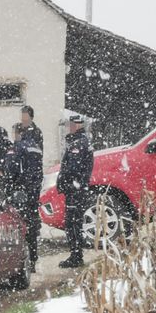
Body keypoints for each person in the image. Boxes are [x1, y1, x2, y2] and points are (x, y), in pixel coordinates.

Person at [4, 118, 44, 272]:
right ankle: (33, 258)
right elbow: (38, 171)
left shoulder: (17, 148)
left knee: (20, 226)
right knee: (32, 225)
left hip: (20, 193)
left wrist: (9, 188)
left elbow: (11, 170)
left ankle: (22, 262)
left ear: (17, 134)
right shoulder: (35, 147)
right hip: (33, 192)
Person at [57, 115, 94, 269]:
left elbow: (72, 168)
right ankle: (76, 254)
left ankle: (76, 256)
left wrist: (65, 183)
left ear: (76, 125)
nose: (68, 127)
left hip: (75, 190)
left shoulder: (78, 143)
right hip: (77, 188)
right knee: (74, 223)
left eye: (70, 125)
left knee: (72, 223)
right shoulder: (80, 141)